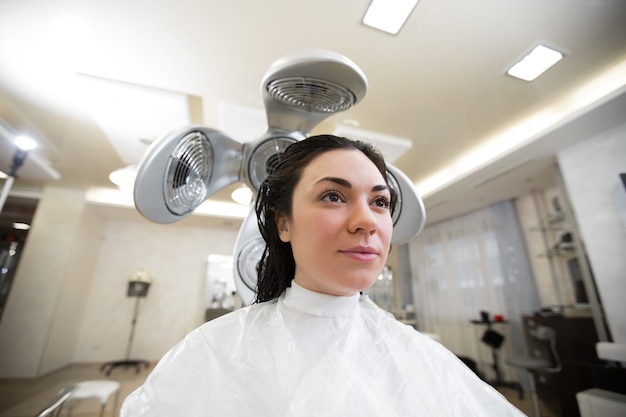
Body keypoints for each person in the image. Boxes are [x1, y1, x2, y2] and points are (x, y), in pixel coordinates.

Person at [121, 134, 526, 416]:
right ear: (283, 224)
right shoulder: (212, 352)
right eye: (333, 196)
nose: (367, 221)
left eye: (380, 201)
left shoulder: (423, 356)